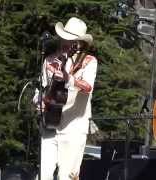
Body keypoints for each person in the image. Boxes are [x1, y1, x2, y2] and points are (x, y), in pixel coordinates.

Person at [33, 17, 98, 180]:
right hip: (50, 123)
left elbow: (88, 87)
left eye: (70, 40)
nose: (65, 42)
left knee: (67, 176)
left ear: (79, 43)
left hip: (74, 128)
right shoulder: (49, 60)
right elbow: (40, 89)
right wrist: (38, 101)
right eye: (64, 38)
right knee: (44, 175)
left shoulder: (89, 62)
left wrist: (68, 78)